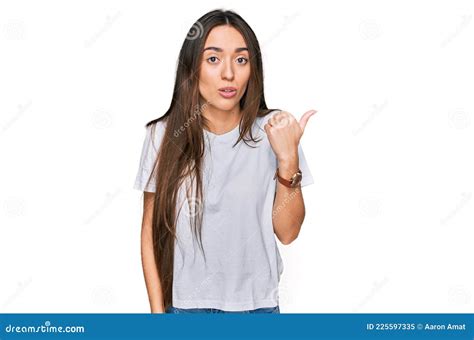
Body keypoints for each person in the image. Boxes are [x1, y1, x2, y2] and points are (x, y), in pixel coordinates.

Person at [133, 9, 316, 314]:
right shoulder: (162, 135)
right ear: (193, 67)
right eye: (214, 59)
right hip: (184, 309)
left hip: (258, 310)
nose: (229, 74)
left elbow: (288, 232)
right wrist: (156, 317)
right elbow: (151, 234)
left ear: (252, 69)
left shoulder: (275, 130)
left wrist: (288, 160)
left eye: (241, 60)